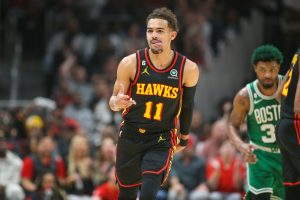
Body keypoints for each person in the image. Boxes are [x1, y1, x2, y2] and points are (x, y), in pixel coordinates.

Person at [108, 7, 199, 200]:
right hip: (131, 134)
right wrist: (117, 102)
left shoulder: (188, 68)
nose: (153, 35)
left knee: (149, 193)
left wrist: (183, 137)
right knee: (126, 195)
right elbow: (113, 100)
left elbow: (188, 105)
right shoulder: (129, 63)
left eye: (160, 31)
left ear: (172, 35)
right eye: (150, 31)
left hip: (161, 138)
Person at [228, 44, 285, 199]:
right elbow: (232, 125)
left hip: (287, 156)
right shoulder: (245, 96)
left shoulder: (288, 88)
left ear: (279, 68)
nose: (267, 74)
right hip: (260, 157)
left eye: (272, 69)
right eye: (262, 69)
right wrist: (241, 146)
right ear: (255, 68)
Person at [276, 48, 300, 199]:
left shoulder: (298, 52)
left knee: (293, 185)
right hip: (295, 125)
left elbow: (279, 93)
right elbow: (298, 105)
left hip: (283, 124)